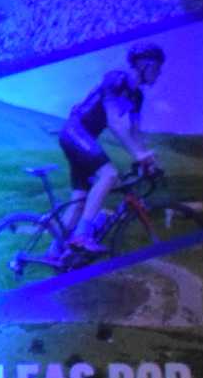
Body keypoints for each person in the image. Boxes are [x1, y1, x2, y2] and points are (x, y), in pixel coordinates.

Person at [59, 43, 164, 259]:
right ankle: (81, 236)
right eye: (157, 66)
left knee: (79, 200)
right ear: (144, 65)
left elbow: (135, 132)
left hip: (83, 139)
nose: (160, 72)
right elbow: (115, 123)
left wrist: (147, 160)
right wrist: (138, 155)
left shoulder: (137, 97)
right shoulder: (115, 80)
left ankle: (54, 252)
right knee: (109, 174)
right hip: (75, 131)